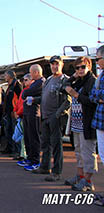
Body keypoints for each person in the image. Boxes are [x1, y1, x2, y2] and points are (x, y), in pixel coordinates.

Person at [33, 56, 71, 182]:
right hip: (45, 117)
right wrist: (34, 100)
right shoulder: (49, 79)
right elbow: (44, 97)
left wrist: (57, 115)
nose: (54, 66)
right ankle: (45, 166)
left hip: (55, 118)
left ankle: (56, 172)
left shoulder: (64, 80)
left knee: (56, 145)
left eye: (57, 64)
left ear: (61, 64)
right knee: (45, 144)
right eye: (52, 64)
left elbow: (68, 101)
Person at [64, 56, 97, 191]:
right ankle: (80, 175)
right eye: (77, 68)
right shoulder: (79, 81)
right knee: (78, 150)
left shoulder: (92, 81)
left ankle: (88, 180)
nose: (80, 70)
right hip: (76, 122)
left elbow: (92, 101)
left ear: (89, 66)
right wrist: (72, 77)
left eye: (83, 67)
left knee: (87, 151)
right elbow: (63, 86)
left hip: (86, 122)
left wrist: (76, 95)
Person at [19, 64, 45, 171]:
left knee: (34, 137)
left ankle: (35, 160)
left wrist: (27, 93)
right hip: (27, 112)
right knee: (28, 136)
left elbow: (26, 93)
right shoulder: (35, 83)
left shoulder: (41, 82)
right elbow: (25, 93)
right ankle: (30, 158)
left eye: (31, 73)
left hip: (34, 113)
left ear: (36, 72)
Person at [89, 45, 104, 206]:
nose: (97, 62)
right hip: (100, 121)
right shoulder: (101, 76)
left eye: (98, 59)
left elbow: (97, 94)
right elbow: (94, 95)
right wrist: (98, 96)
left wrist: (98, 95)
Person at [2, 70, 23, 157]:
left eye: (5, 75)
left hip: (14, 113)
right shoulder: (10, 86)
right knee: (8, 131)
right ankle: (9, 148)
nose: (4, 77)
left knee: (15, 132)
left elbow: (20, 99)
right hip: (8, 112)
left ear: (10, 76)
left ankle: (16, 150)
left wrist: (16, 111)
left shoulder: (17, 86)